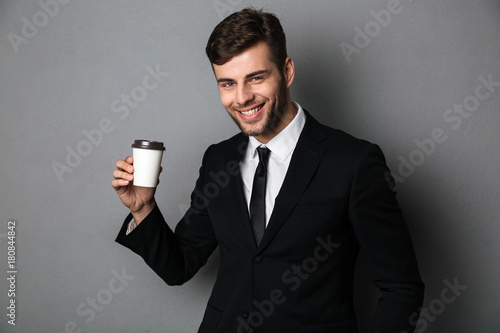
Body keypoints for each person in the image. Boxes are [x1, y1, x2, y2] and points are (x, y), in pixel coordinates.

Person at [112, 8, 424, 333]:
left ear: (287, 71)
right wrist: (143, 208)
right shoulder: (218, 160)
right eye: (228, 83)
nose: (242, 97)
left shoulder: (354, 162)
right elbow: (181, 265)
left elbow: (402, 290)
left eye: (256, 78)